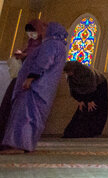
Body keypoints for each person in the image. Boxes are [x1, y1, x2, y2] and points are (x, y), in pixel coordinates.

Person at [0, 19, 68, 154]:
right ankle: (24, 144)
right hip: (43, 89)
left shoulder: (51, 44)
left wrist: (31, 78)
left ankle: (16, 145)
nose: (43, 29)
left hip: (36, 87)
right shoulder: (58, 45)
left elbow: (44, 62)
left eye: (46, 26)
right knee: (32, 116)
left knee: (25, 114)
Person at [61, 60, 108, 138]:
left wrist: (91, 100)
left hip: (99, 86)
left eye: (69, 72)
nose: (69, 74)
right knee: (82, 109)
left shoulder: (86, 72)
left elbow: (92, 86)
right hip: (88, 92)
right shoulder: (70, 77)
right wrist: (80, 100)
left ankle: (93, 132)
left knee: (95, 107)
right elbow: (73, 90)